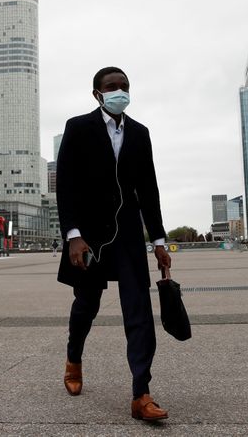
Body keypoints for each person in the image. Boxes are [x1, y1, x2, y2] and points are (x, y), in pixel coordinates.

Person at [56, 66, 172, 422]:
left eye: (124, 86)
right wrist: (73, 235)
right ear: (97, 94)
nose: (119, 91)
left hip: (127, 236)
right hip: (89, 237)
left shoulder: (140, 133)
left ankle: (141, 393)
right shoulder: (78, 127)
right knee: (86, 304)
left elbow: (148, 190)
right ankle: (74, 357)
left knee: (138, 310)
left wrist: (159, 240)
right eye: (111, 86)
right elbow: (66, 184)